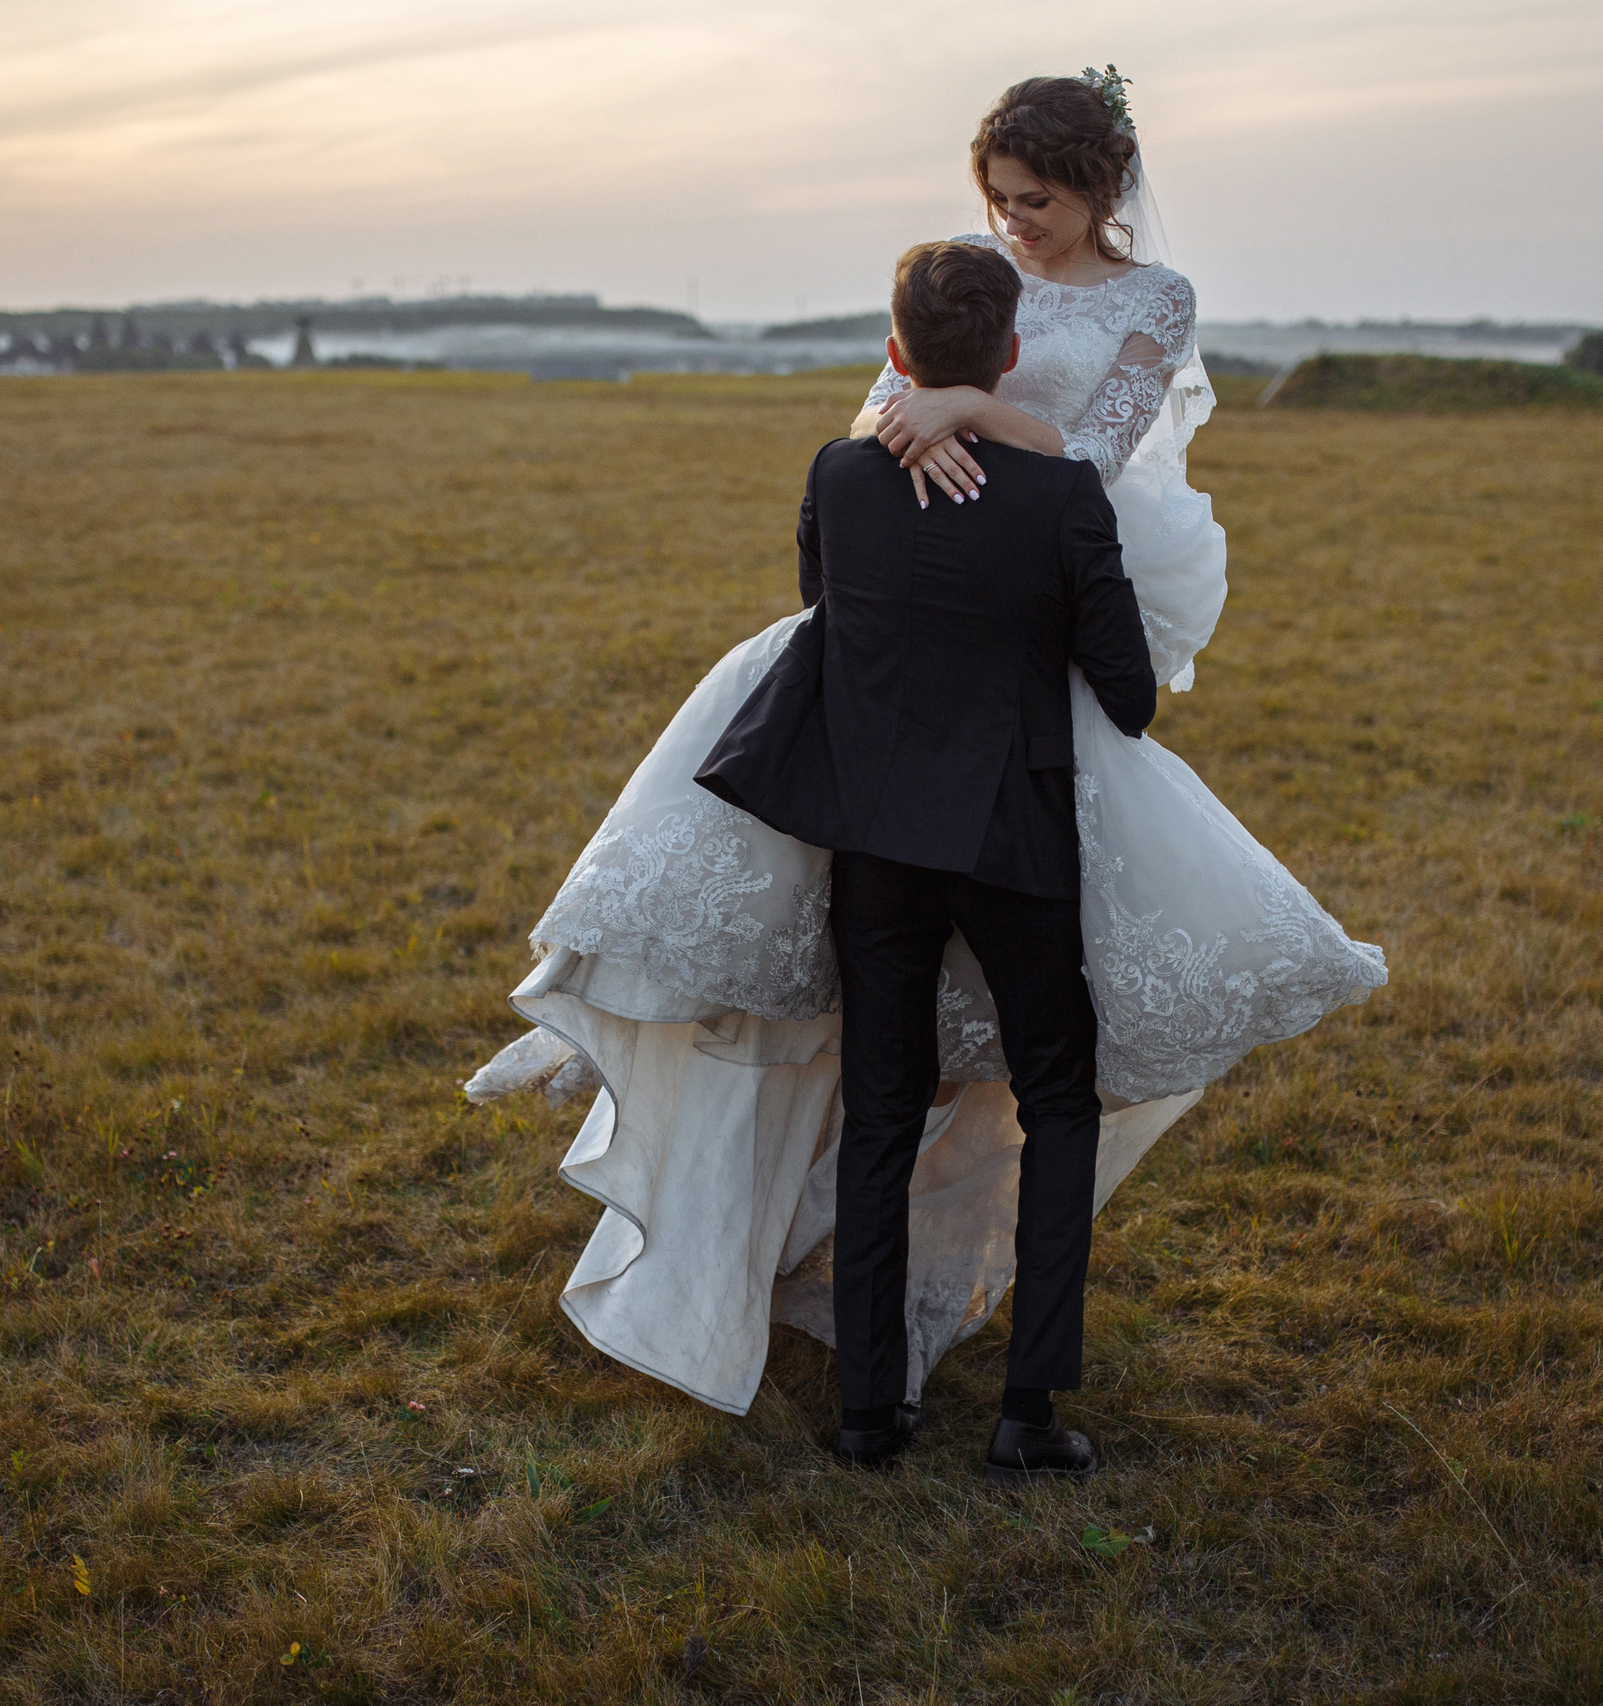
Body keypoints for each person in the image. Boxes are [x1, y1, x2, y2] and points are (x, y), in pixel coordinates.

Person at [465, 70, 1386, 1448]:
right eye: (999, 201)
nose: (1016, 223)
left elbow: (1082, 454)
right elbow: (874, 446)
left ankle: (878, 1380)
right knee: (997, 1056)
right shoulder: (952, 318)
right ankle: (989, 1380)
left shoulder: (1147, 305)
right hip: (988, 671)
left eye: (1039, 201)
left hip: (1006, 623)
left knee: (916, 1053)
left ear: (1103, 188)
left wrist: (959, 414)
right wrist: (925, 424)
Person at [696, 237, 1156, 1475]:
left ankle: (867, 1411)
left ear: (894, 352)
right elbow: (1129, 694)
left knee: (882, 1107)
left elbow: (824, 613)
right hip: (1014, 834)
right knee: (1057, 1095)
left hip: (877, 839)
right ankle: (1027, 1411)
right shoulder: (1061, 497)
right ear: (1011, 355)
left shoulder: (840, 475)